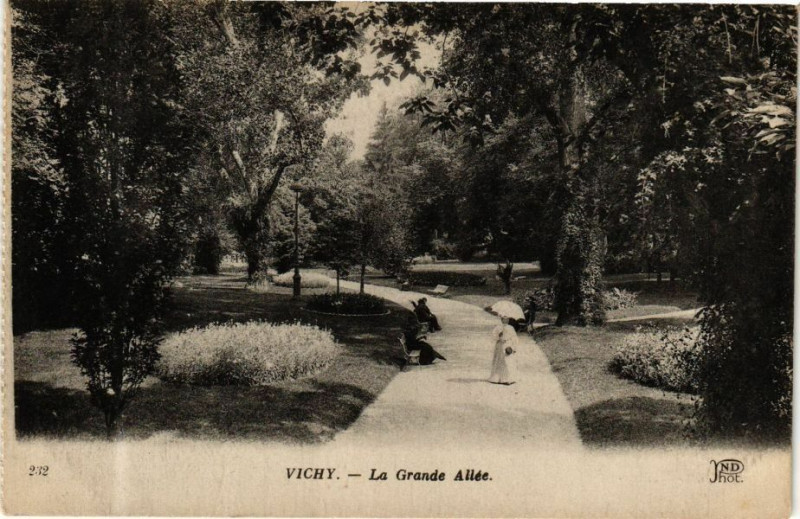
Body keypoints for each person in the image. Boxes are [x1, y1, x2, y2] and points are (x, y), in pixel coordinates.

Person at [489, 316, 518, 385]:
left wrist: (514, 347)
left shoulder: (511, 328)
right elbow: (493, 336)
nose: (506, 320)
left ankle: (507, 378)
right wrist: (499, 336)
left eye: (507, 319)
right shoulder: (498, 327)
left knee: (508, 361)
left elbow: (514, 337)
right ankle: (497, 378)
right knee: (499, 361)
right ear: (501, 320)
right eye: (504, 319)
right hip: (500, 345)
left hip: (508, 344)